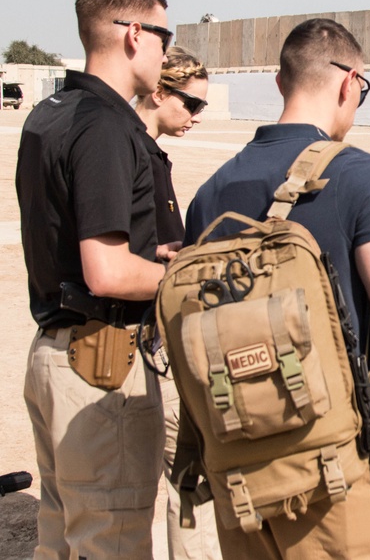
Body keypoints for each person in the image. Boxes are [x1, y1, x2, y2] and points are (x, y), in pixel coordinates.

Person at [183, 18, 370, 559]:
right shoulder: (364, 176)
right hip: (330, 467)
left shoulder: (211, 191)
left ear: (279, 83)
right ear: (351, 84)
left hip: (239, 466)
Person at [16, 0, 172, 559]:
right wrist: (191, 277)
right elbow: (105, 271)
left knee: (62, 534)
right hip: (101, 360)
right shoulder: (107, 124)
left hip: (56, 351)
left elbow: (67, 233)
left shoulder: (53, 111)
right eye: (164, 35)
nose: (165, 51)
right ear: (135, 33)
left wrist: (151, 256)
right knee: (111, 539)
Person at [134, 46, 221, 560]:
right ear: (159, 92)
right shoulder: (132, 154)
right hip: (145, 343)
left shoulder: (150, 155)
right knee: (191, 474)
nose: (196, 117)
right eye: (191, 104)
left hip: (151, 338)